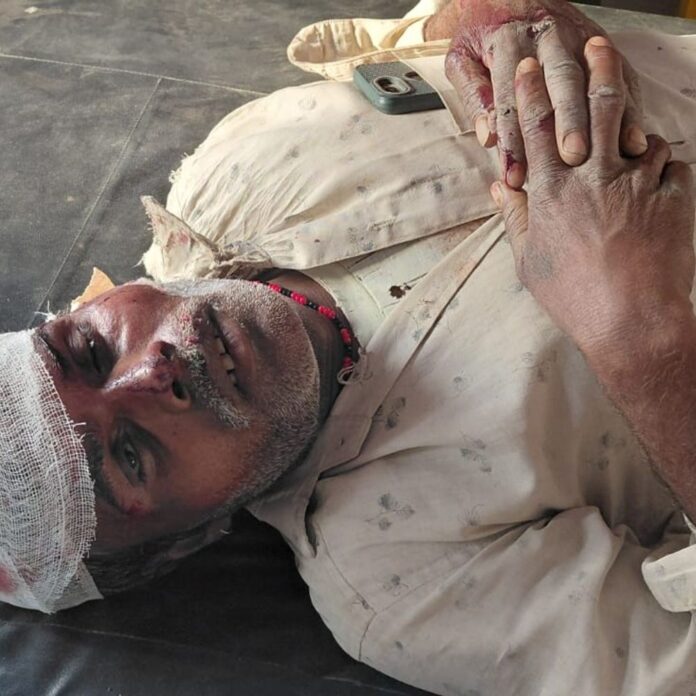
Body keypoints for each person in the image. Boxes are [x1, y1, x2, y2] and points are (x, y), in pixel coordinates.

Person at [3, 0, 696, 692]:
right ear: (192, 538)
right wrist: (644, 345)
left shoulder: (233, 169)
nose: (153, 371)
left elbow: (428, 38)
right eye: (130, 455)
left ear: (82, 308)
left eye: (89, 350)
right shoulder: (412, 585)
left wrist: (490, 20)